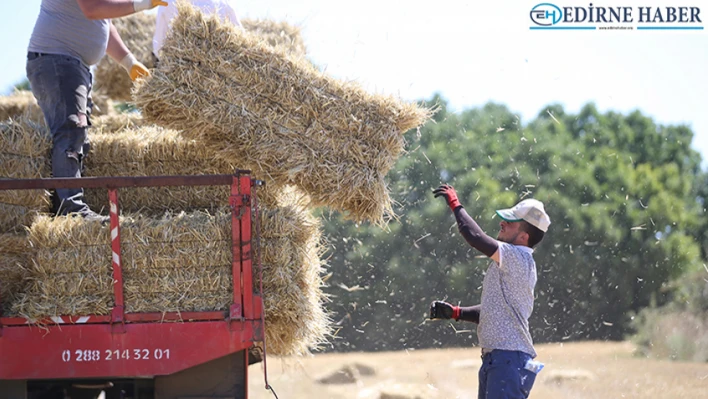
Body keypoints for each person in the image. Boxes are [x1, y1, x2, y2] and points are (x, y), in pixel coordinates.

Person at [26, 0, 167, 220]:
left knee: (78, 136)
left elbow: (104, 22)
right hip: (58, 60)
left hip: (72, 64)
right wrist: (143, 4)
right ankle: (70, 209)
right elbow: (93, 10)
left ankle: (67, 204)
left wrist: (129, 62)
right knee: (71, 131)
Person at [429, 184, 550, 399]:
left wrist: (456, 205)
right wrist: (457, 313)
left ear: (524, 236)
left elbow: (475, 236)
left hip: (508, 362)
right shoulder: (511, 262)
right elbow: (493, 311)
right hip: (498, 361)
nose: (502, 222)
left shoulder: (518, 258)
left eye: (511, 222)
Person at [152, 0, 242, 62]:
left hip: (180, 73)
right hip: (219, 72)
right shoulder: (222, 2)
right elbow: (240, 37)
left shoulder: (167, 2)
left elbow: (159, 46)